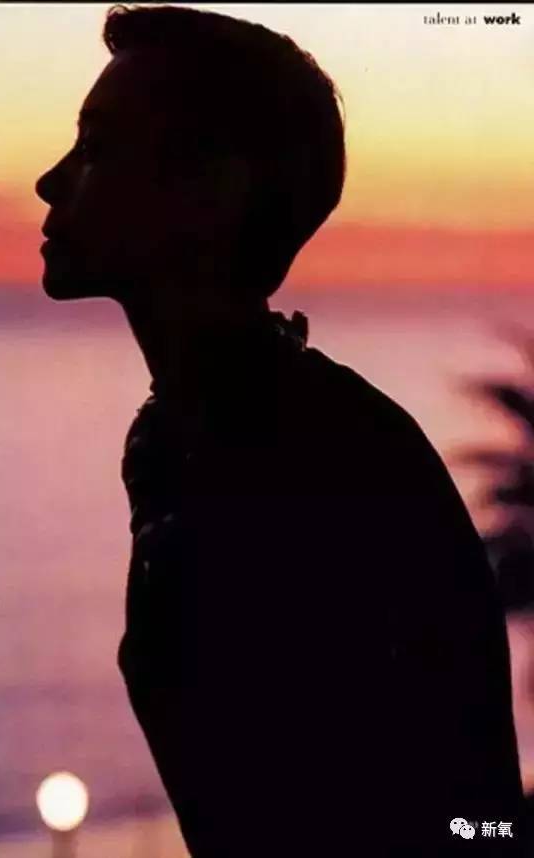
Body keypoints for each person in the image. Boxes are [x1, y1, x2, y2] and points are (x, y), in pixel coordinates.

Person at [35, 5, 526, 855]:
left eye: (97, 146)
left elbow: (456, 817)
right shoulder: (189, 435)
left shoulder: (323, 460)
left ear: (212, 194)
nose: (50, 180)